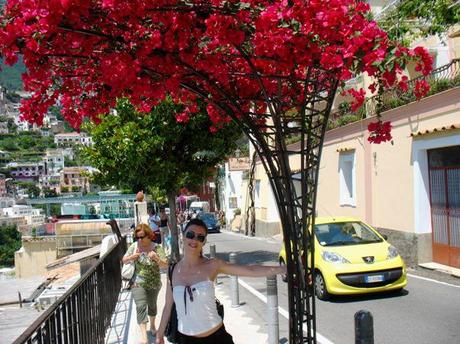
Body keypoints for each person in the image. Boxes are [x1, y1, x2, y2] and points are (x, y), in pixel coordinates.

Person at [155, 218, 287, 344]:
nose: (194, 240)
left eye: (200, 237)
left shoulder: (213, 265)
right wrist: (159, 335)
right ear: (183, 236)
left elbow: (250, 270)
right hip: (185, 339)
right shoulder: (173, 270)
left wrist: (283, 269)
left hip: (216, 338)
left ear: (204, 242)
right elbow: (168, 306)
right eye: (190, 234)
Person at [123, 223, 168, 344]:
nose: (139, 239)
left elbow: (165, 264)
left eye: (142, 236)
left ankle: (152, 326)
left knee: (152, 305)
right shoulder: (134, 246)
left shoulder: (157, 248)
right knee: (141, 306)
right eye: (137, 237)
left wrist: (157, 259)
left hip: (154, 283)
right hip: (138, 283)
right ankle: (144, 337)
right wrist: (132, 257)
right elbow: (124, 259)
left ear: (149, 236)